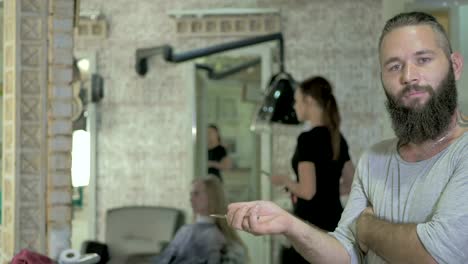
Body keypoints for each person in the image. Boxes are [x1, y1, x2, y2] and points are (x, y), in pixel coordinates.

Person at [225, 11, 468, 264]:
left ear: (455, 65)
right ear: (382, 79)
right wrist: (289, 225)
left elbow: (434, 256)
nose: (408, 76)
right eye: (394, 66)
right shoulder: (374, 159)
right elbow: (344, 254)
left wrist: (368, 228)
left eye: (424, 59)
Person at [269, 76, 355, 263]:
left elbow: (308, 192)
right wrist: (327, 190)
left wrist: (285, 181)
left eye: (296, 101)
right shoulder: (338, 137)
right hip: (335, 225)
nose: (294, 106)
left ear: (308, 101)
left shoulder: (307, 139)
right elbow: (350, 184)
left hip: (311, 229)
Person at [154, 176, 246, 264]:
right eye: (191, 194)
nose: (191, 199)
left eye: (196, 194)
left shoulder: (222, 240)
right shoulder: (185, 231)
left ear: (212, 197)